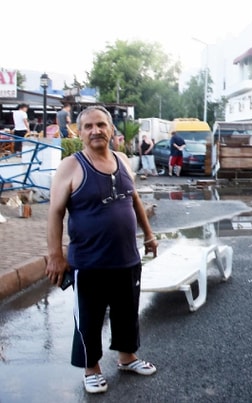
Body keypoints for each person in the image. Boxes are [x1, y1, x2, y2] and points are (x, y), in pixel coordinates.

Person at [45, 105, 159, 394]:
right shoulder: (71, 166)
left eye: (101, 125)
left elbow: (134, 200)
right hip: (89, 261)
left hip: (126, 257)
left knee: (127, 311)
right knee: (89, 317)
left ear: (111, 129)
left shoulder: (122, 160)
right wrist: (56, 256)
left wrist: (148, 235)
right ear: (80, 132)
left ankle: (126, 357)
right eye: (88, 126)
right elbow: (55, 213)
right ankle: (91, 368)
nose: (95, 130)